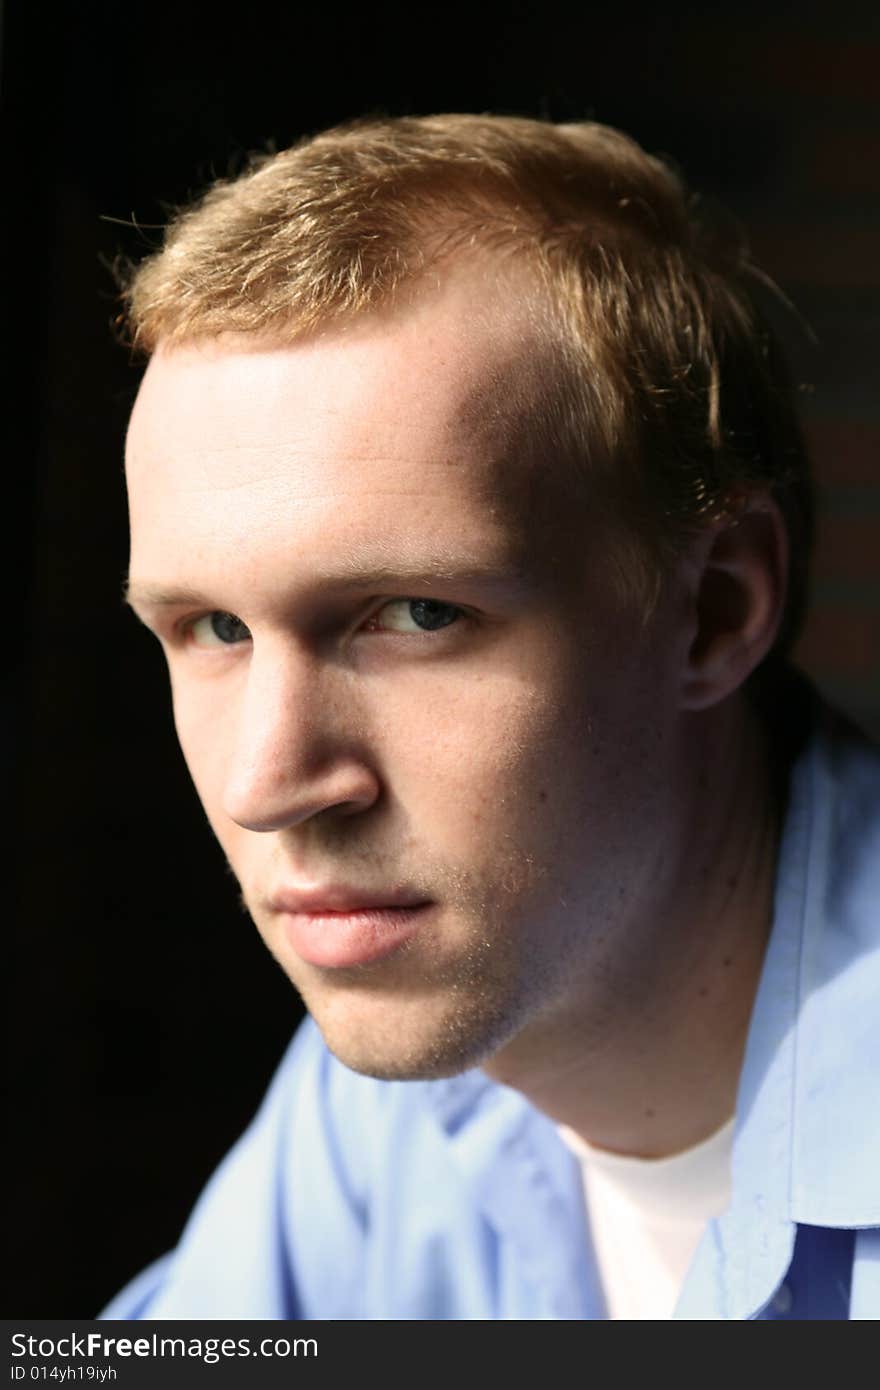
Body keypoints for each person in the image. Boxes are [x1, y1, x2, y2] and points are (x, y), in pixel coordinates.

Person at [102, 114, 880, 1321]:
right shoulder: (408, 1077)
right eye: (212, 629)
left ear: (717, 608)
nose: (268, 781)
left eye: (413, 613)